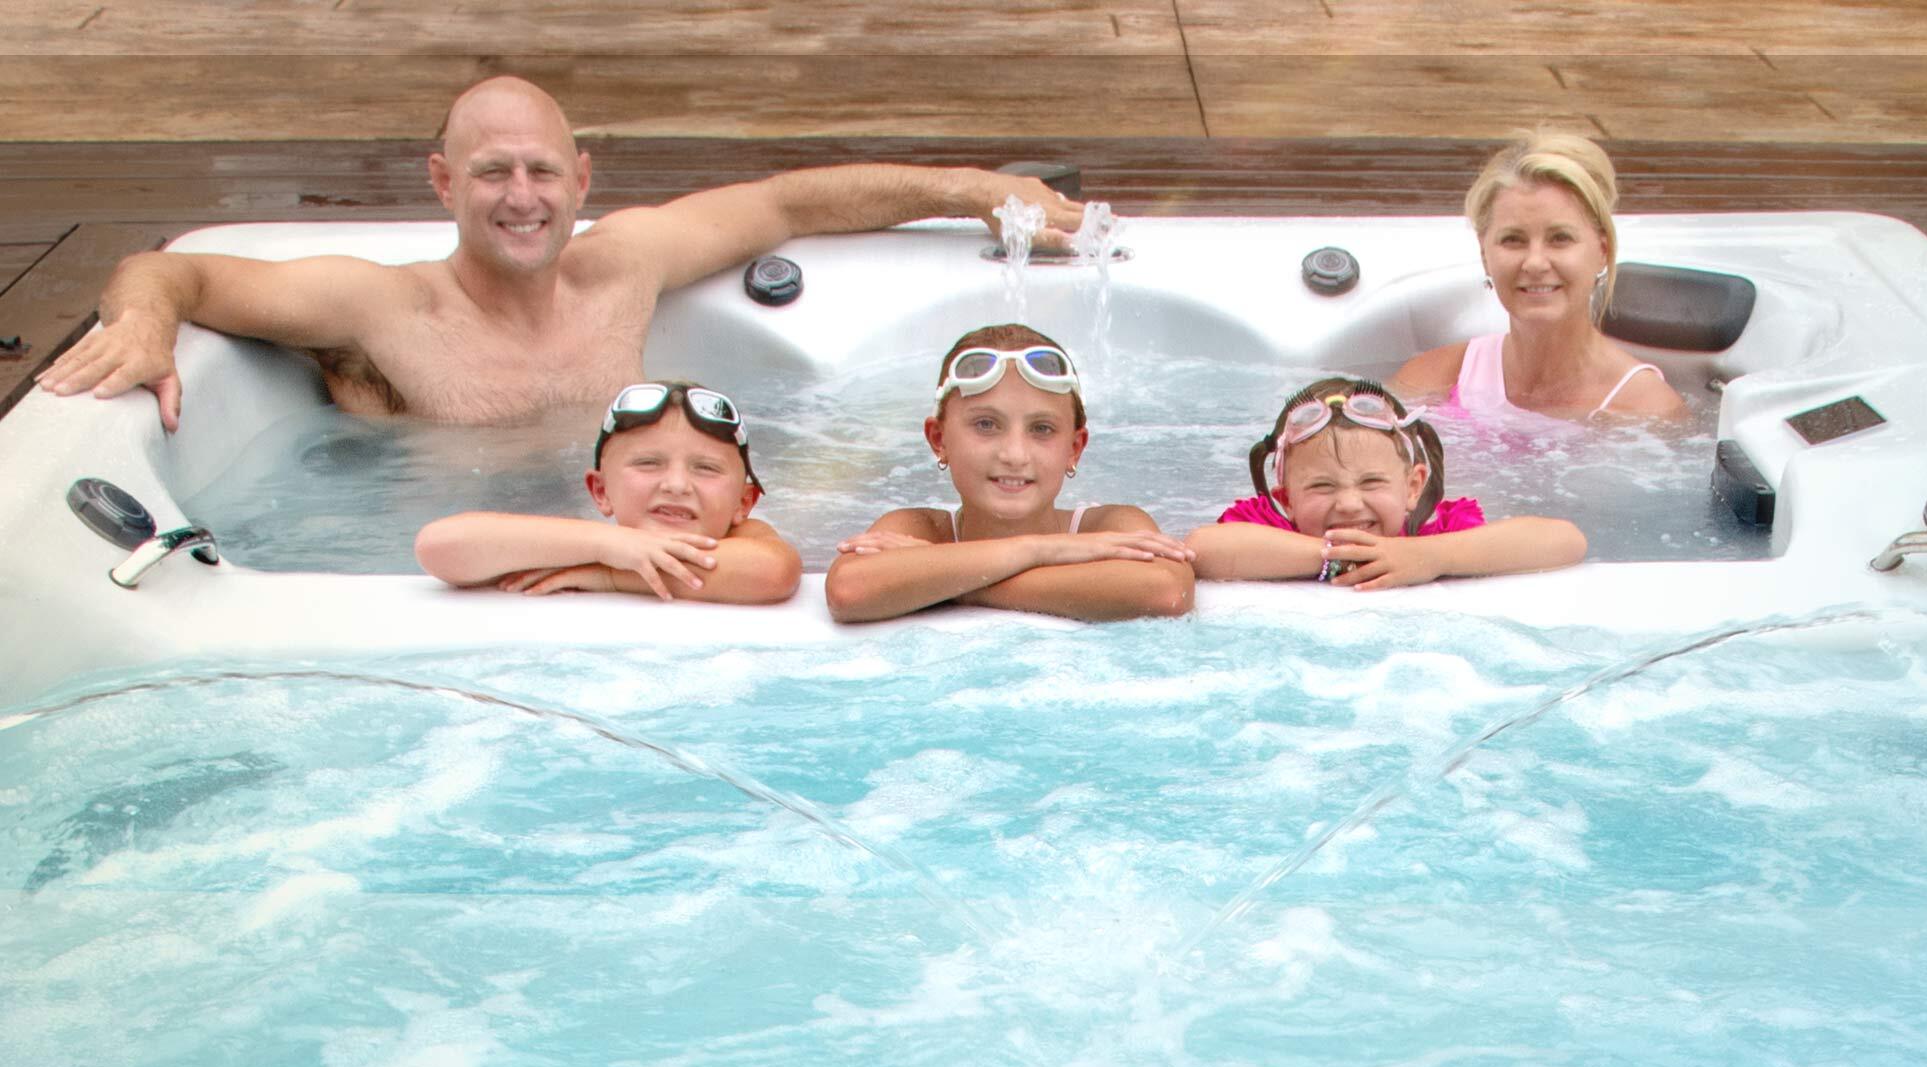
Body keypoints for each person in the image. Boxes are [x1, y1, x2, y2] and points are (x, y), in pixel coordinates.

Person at [35, 75, 1081, 431]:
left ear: (582, 178)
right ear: (443, 183)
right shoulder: (382, 309)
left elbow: (782, 203)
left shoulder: (620, 265)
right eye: (491, 173)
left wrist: (974, 191)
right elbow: (176, 269)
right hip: (448, 590)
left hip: (635, 548)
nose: (521, 198)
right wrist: (145, 321)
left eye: (541, 173)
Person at [824, 324, 1194, 622]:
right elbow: (848, 591)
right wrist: (1042, 549)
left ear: (1074, 448)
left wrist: (951, 583)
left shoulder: (1106, 525)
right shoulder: (917, 526)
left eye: (1042, 429)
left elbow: (1165, 590)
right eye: (986, 424)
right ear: (938, 439)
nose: (1014, 454)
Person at [1389, 129, 1685, 421]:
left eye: (1560, 238)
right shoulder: (1427, 384)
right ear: (1484, 256)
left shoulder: (1647, 411)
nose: (1534, 263)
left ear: (1602, 251)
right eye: (1513, 240)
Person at [415, 380, 800, 603]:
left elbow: (774, 572)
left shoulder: (746, 537)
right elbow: (439, 546)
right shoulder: (586, 544)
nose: (677, 485)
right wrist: (604, 546)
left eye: (706, 469)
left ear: (744, 502)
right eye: (648, 463)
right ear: (600, 491)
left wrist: (609, 575)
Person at [1186, 377, 1586, 588]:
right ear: (1286, 499)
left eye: (1372, 482)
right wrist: (1339, 557)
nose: (1347, 503)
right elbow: (1200, 550)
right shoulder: (1272, 532)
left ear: (1413, 487)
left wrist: (1429, 557)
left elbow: (1565, 540)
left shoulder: (1433, 533)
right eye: (1322, 487)